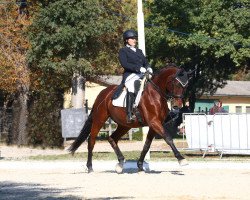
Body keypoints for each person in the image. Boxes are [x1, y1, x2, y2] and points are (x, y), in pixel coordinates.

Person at [118, 29, 153, 122]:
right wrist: (138, 68)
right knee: (132, 87)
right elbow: (125, 64)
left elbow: (145, 62)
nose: (134, 40)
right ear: (126, 40)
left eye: (135, 38)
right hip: (130, 75)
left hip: (142, 74)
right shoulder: (123, 51)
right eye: (132, 38)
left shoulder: (139, 51)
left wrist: (148, 67)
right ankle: (129, 114)